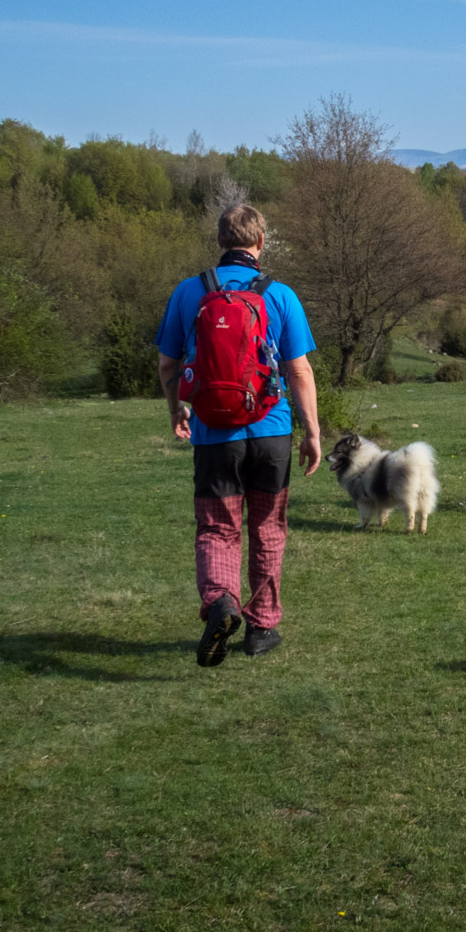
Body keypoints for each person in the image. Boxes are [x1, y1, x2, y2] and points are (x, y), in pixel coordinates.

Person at [156, 204, 321, 666]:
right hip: (271, 434)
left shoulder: (189, 293)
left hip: (214, 434)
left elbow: (168, 364)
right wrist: (312, 432)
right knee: (268, 527)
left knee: (217, 527)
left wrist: (177, 411)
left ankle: (222, 602)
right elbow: (300, 370)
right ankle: (262, 627)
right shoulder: (281, 295)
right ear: (261, 242)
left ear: (220, 241)